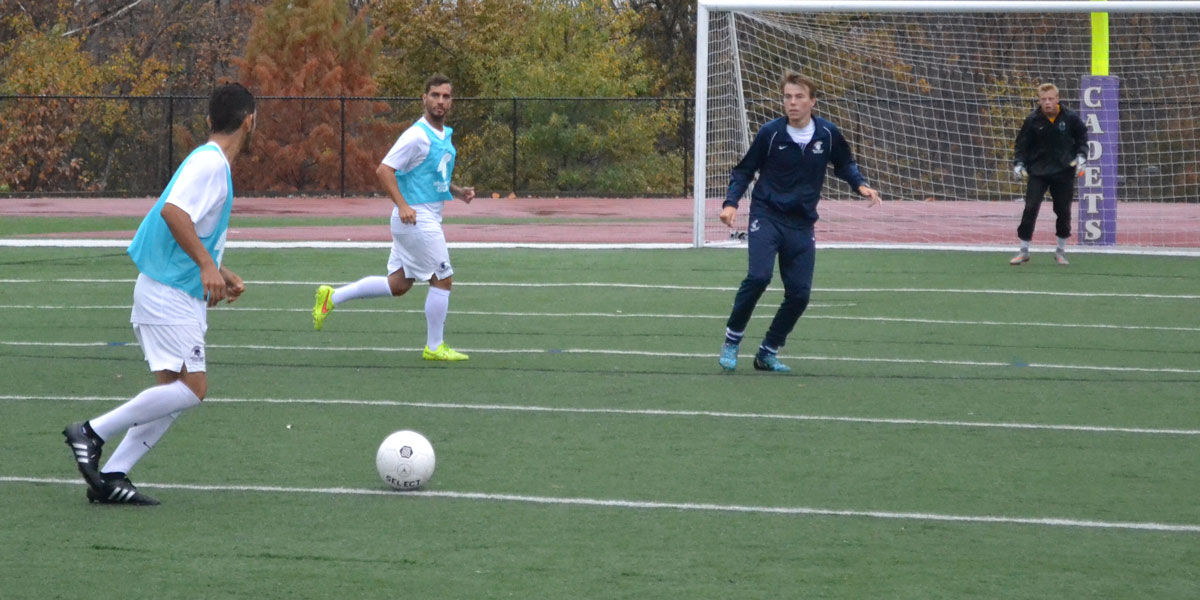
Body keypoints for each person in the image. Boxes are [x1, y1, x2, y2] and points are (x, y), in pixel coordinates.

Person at [62, 83, 256, 505]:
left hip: (169, 291)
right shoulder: (210, 163)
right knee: (194, 389)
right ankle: (91, 432)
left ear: (208, 120)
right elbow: (173, 213)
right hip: (169, 295)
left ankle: (112, 476)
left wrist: (218, 269)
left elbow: (189, 225)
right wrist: (207, 265)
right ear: (249, 121)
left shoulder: (208, 162)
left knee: (169, 395)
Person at [718, 72, 881, 373]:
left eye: (799, 97)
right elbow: (745, 170)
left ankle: (767, 351)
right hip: (767, 215)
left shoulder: (827, 134)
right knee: (759, 277)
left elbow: (844, 163)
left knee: (800, 295)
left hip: (802, 223)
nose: (792, 103)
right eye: (787, 97)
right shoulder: (771, 133)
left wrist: (860, 185)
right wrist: (730, 203)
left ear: (812, 101)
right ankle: (732, 340)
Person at [312, 74, 474, 362]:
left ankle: (331, 298)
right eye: (435, 95)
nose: (440, 101)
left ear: (452, 101)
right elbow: (384, 170)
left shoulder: (442, 135)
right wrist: (402, 205)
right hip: (415, 219)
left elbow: (432, 177)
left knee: (398, 285)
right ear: (424, 98)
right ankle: (434, 347)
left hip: (420, 218)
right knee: (443, 278)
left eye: (446, 96)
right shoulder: (416, 135)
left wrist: (459, 192)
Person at [1010, 82, 1089, 266]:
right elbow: (1021, 145)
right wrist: (1018, 163)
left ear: (1057, 99)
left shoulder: (1070, 118)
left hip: (1063, 172)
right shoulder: (1033, 120)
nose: (1047, 103)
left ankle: (1060, 251)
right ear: (1039, 100)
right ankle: (1023, 251)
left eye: (1050, 99)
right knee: (1030, 208)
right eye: (1043, 99)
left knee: (1063, 211)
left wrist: (1081, 156)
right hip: (1038, 171)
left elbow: (1082, 138)